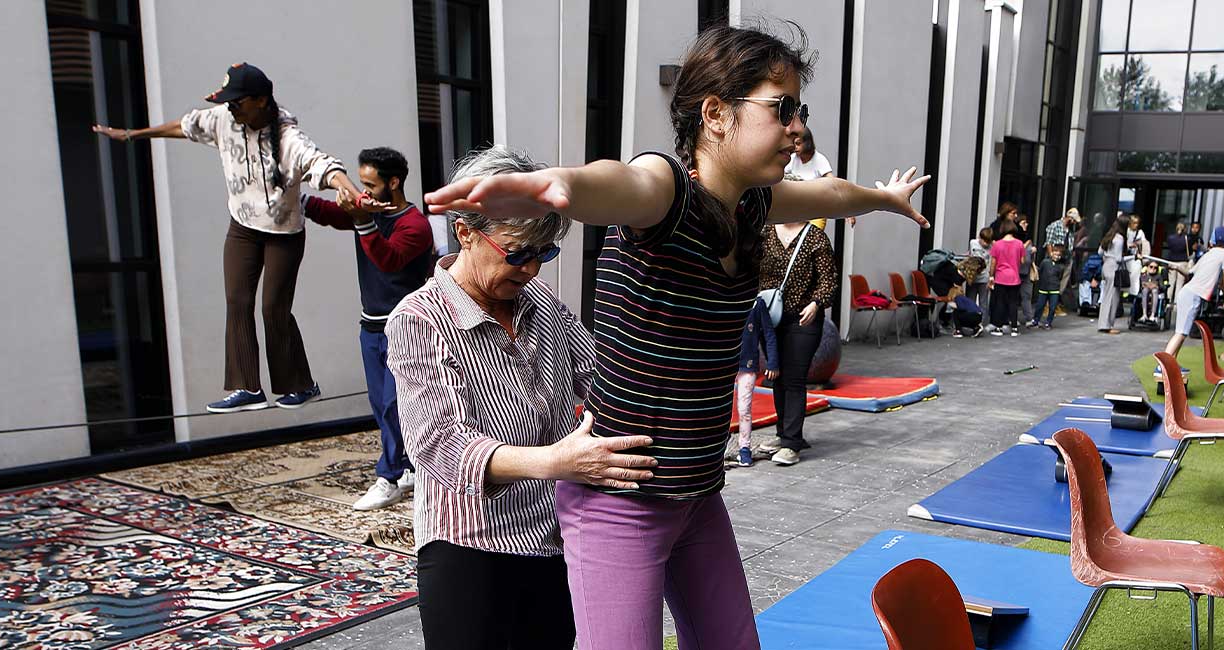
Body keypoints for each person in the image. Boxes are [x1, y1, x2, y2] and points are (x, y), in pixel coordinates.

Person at [423, 24, 930, 648]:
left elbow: (827, 191)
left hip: (698, 495)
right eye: (781, 108)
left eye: (800, 110)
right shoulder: (665, 192)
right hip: (623, 500)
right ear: (716, 115)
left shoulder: (752, 204)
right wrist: (563, 187)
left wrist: (883, 197)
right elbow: (622, 181)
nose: (796, 127)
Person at [386, 146, 658, 649]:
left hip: (553, 539)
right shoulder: (418, 318)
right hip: (469, 549)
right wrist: (557, 461)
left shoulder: (543, 304)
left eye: (544, 254)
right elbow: (438, 445)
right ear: (466, 231)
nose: (531, 270)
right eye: (517, 254)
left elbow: (598, 376)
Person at [94, 62, 359, 413]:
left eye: (238, 102)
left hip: (283, 235)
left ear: (261, 101)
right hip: (242, 228)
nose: (231, 108)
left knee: (272, 309)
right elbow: (184, 126)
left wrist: (353, 194)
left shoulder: (289, 138)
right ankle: (247, 388)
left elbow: (323, 165)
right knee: (237, 301)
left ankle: (300, 384)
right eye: (228, 102)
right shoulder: (223, 119)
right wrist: (132, 135)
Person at [299, 147, 434, 511]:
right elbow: (329, 212)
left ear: (394, 182)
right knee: (380, 405)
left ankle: (388, 477)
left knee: (395, 404)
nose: (363, 192)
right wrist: (294, 198)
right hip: (370, 327)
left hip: (407, 328)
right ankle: (407, 468)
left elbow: (388, 261)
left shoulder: (415, 225)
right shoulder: (367, 212)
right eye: (361, 184)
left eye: (370, 185)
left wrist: (362, 221)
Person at [755, 219, 838, 466]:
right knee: (777, 376)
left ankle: (792, 443)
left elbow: (828, 280)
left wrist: (816, 303)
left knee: (794, 377)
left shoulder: (815, 238)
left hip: (803, 318)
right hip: (769, 317)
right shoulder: (764, 233)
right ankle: (783, 435)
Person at [1163, 226, 1224, 357]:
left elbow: (1189, 272)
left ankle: (1172, 363)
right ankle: (1164, 364)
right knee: (1181, 333)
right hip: (1193, 296)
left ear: (1212, 240)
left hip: (1186, 292)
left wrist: (1176, 267)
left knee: (1181, 332)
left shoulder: (1207, 255)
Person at [732, 299, 779, 467]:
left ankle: (744, 448)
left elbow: (768, 333)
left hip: (748, 365)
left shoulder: (758, 304)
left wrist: (772, 362)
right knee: (720, 408)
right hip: (723, 363)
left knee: (744, 408)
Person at [988, 220, 1029, 337]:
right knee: (1013, 303)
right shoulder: (1019, 244)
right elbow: (1022, 261)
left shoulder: (997, 244)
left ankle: (999, 327)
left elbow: (993, 263)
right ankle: (1014, 328)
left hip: (1001, 277)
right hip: (1014, 277)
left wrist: (991, 276)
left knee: (1000, 302)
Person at [1095, 215, 1131, 334]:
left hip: (1106, 266)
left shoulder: (1109, 235)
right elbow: (1119, 259)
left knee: (1106, 295)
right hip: (1114, 268)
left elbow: (1100, 252)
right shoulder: (1120, 239)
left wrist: (1107, 256)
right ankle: (1107, 325)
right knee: (1113, 297)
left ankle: (1103, 323)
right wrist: (1133, 257)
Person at [1030, 244, 1070, 329]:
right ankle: (1035, 320)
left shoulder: (1061, 266)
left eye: (1059, 255)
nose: (1056, 256)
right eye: (1055, 254)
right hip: (1044, 288)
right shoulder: (1045, 262)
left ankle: (1048, 322)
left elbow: (1060, 276)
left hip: (1054, 289)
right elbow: (1041, 272)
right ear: (1051, 253)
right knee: (1040, 306)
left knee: (1052, 307)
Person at [968, 227, 996, 329]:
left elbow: (992, 262)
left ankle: (981, 323)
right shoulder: (973, 243)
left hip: (984, 277)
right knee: (970, 300)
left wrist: (991, 277)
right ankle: (970, 321)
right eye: (983, 240)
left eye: (987, 242)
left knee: (983, 302)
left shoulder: (992, 247)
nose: (985, 244)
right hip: (973, 277)